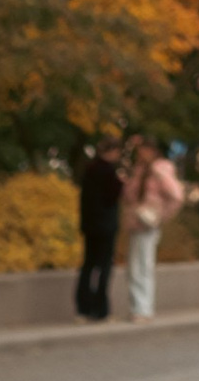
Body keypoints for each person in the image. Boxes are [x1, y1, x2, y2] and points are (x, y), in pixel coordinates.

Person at [118, 137, 185, 322]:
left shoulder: (160, 169)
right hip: (135, 222)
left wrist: (161, 216)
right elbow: (129, 196)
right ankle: (137, 307)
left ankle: (143, 308)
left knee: (143, 266)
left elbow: (175, 195)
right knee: (134, 267)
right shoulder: (138, 171)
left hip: (148, 222)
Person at [73, 138, 122, 322]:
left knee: (88, 265)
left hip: (90, 226)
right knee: (104, 267)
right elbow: (112, 198)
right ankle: (100, 309)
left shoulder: (89, 170)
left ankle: (83, 307)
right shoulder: (109, 173)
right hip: (106, 227)